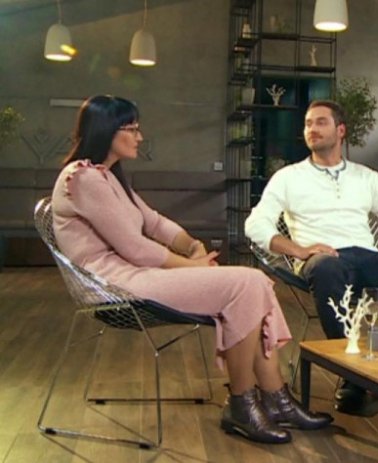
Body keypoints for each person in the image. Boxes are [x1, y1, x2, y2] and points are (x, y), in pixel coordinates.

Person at [51, 95, 332, 445]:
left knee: (255, 282)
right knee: (246, 283)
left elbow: (155, 223)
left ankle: (276, 400)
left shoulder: (106, 177)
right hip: (115, 285)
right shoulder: (83, 179)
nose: (140, 137)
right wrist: (194, 265)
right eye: (132, 129)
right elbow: (135, 248)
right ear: (107, 130)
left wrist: (192, 245)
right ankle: (244, 404)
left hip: (134, 275)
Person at [245, 100, 378, 414]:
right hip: (324, 261)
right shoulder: (288, 177)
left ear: (341, 131)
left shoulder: (366, 177)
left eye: (321, 122)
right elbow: (255, 224)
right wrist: (299, 250)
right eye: (308, 123)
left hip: (367, 257)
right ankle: (352, 374)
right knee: (327, 268)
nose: (312, 129)